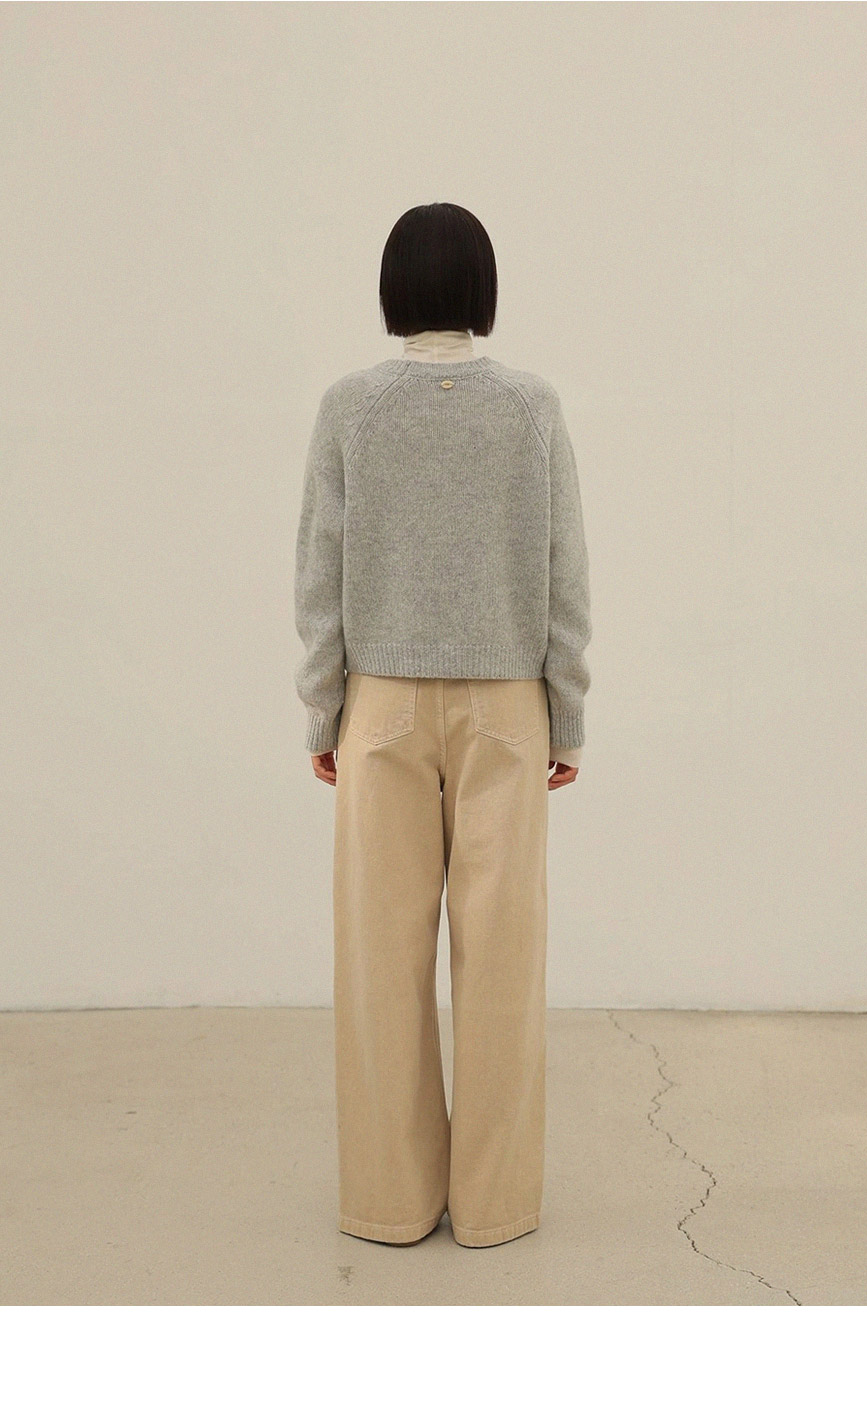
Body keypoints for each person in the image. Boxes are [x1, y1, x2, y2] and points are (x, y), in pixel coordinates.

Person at [294, 202, 592, 1248]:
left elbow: (320, 571)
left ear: (393, 289)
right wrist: (567, 713)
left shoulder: (351, 407)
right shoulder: (531, 408)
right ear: (481, 289)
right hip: (508, 705)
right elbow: (564, 569)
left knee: (380, 954)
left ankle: (391, 1200)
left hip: (380, 703)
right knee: (503, 957)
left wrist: (323, 706)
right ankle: (496, 1207)